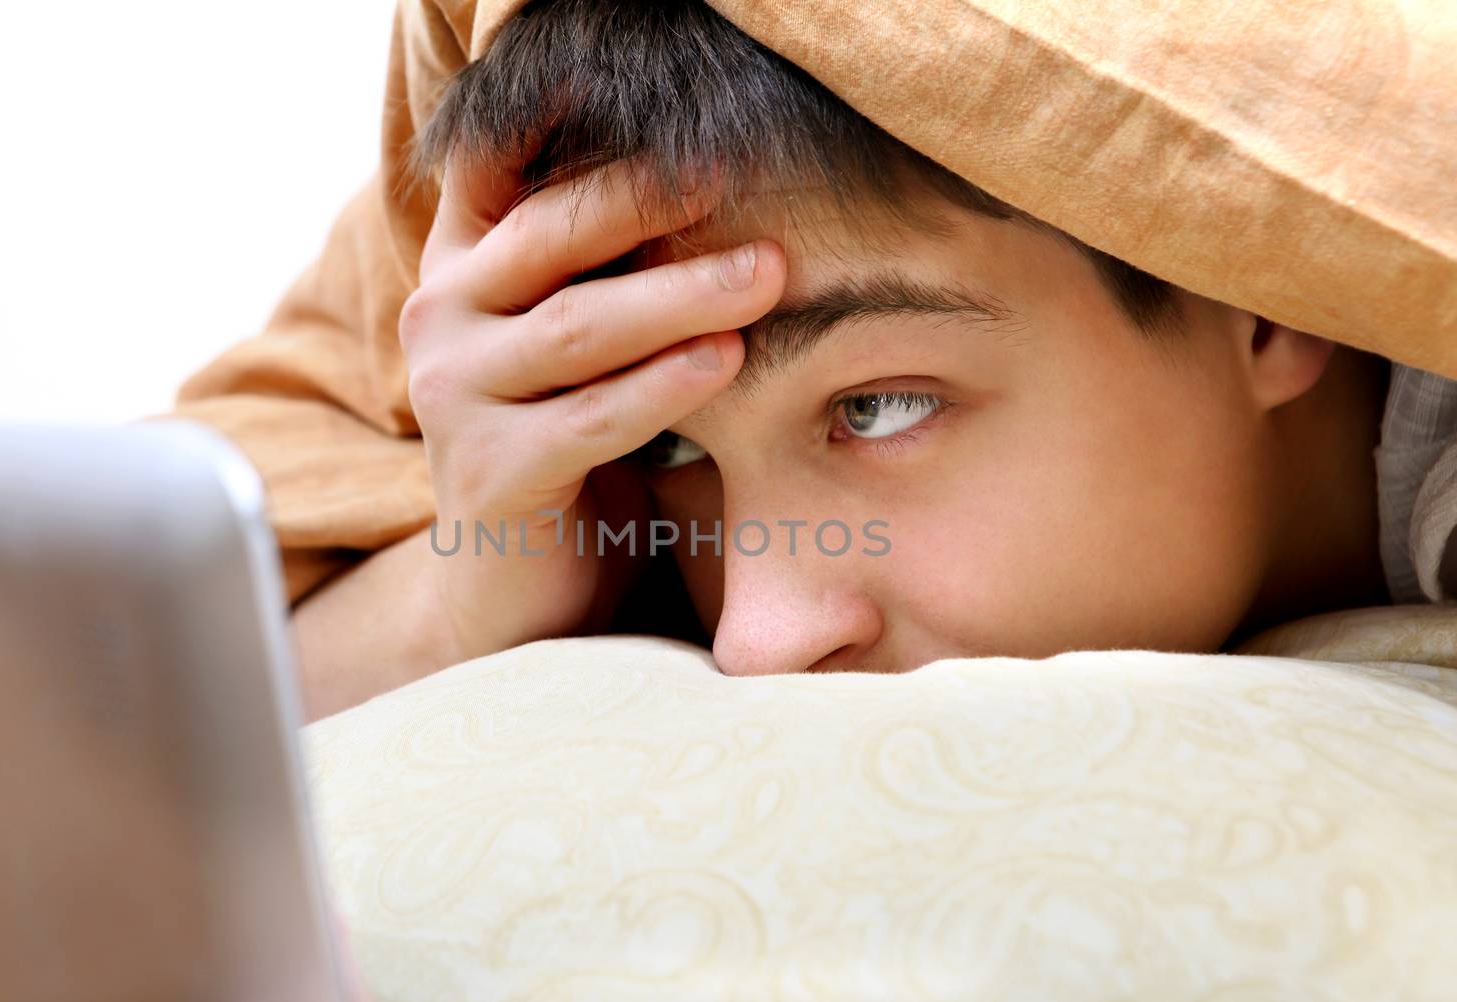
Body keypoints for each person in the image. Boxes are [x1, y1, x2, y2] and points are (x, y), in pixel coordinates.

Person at [171, 0, 1447, 724]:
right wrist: (475, 583)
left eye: (877, 406)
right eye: (667, 440)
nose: (757, 640)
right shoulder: (490, 244)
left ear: (1256, 293)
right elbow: (116, 686)